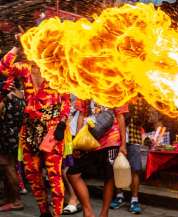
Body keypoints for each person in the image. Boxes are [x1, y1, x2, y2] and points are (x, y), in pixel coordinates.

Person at [0, 46, 70, 217]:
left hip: (52, 130)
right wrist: (16, 47)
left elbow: (66, 102)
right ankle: (44, 212)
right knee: (32, 174)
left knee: (54, 175)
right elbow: (3, 67)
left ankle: (57, 214)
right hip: (30, 129)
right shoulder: (24, 68)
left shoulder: (57, 71)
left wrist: (61, 124)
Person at [67, 99, 127, 217]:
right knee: (72, 173)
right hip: (90, 139)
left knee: (109, 177)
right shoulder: (84, 85)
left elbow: (120, 117)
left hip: (111, 140)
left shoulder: (117, 87)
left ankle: (104, 213)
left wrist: (123, 145)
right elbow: (81, 115)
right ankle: (88, 212)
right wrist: (78, 142)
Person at [110, 95, 149, 214]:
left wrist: (132, 112)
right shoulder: (116, 94)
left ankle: (134, 200)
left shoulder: (140, 99)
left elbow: (142, 120)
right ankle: (119, 196)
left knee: (135, 169)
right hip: (115, 138)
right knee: (117, 168)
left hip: (133, 137)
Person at [0, 77, 25, 212]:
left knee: (9, 167)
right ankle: (10, 198)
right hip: (16, 135)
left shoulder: (9, 97)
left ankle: (16, 200)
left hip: (7, 135)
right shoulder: (22, 95)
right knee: (8, 166)